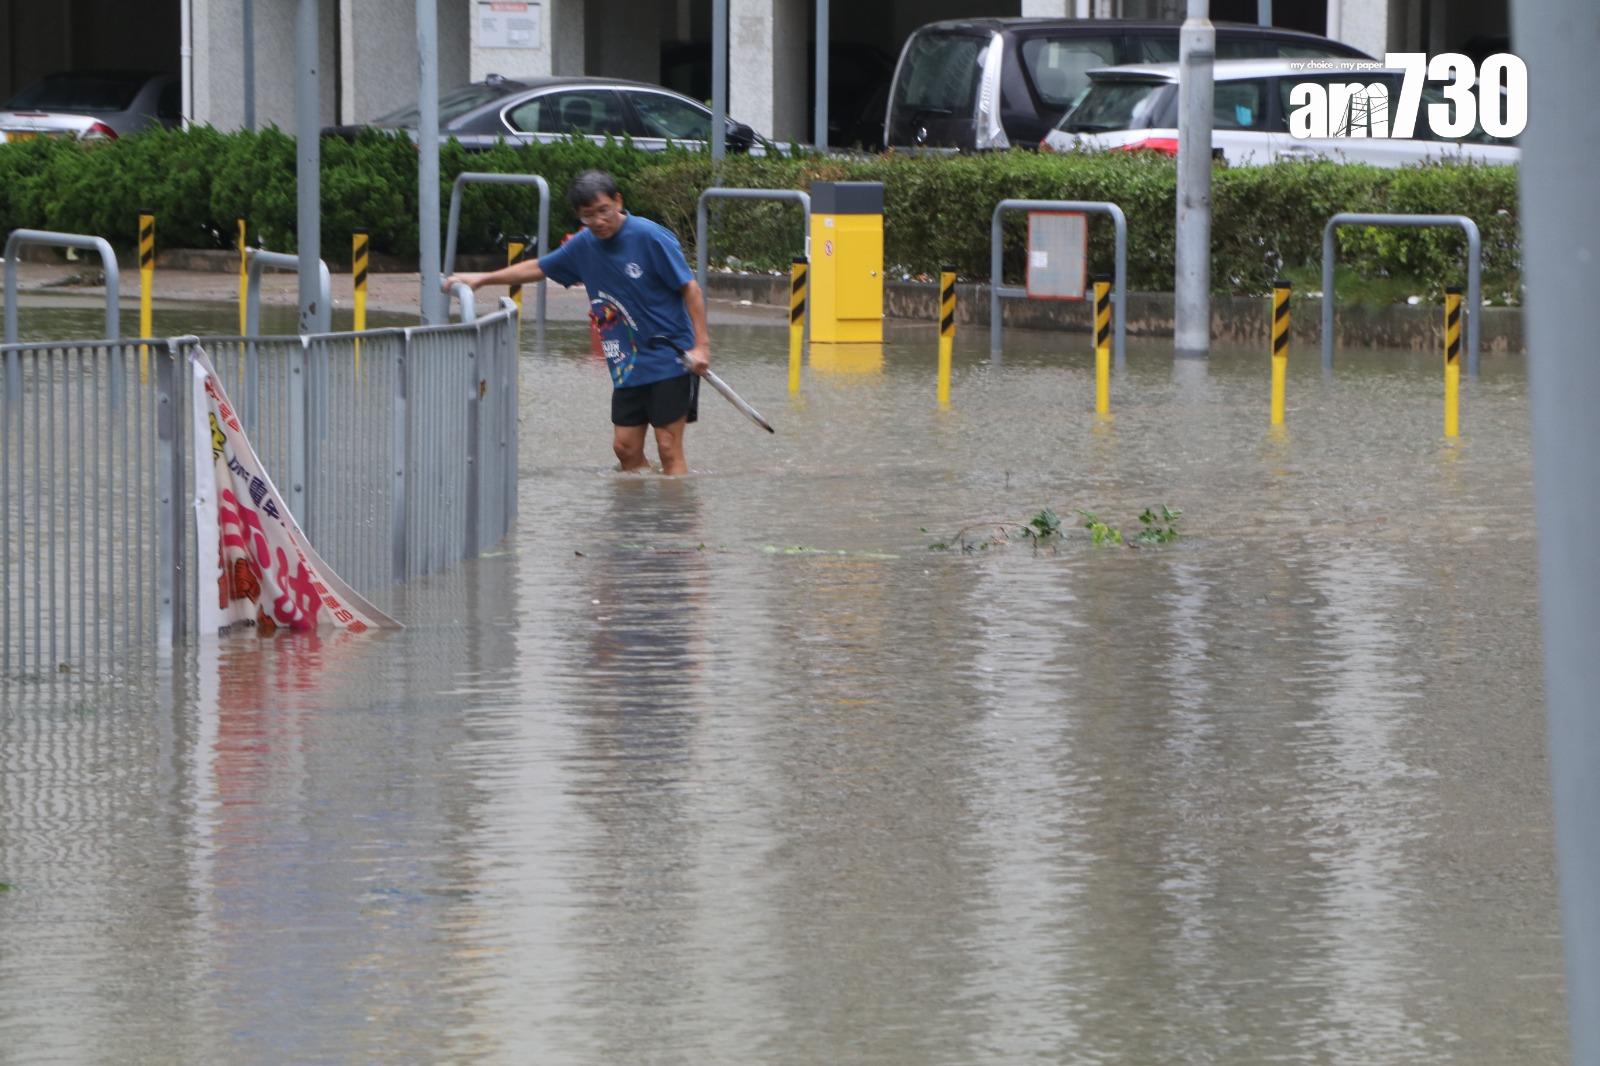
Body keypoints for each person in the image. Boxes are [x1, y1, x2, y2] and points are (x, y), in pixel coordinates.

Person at [445, 169, 711, 476]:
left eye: (604, 210)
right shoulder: (583, 245)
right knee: (625, 448)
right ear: (579, 216)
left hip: (671, 355)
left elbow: (691, 289)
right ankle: (641, 503)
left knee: (667, 446)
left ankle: (677, 505)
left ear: (618, 201)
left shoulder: (650, 236)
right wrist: (482, 279)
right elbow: (538, 268)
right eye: (588, 216)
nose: (598, 221)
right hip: (627, 360)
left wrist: (702, 347)